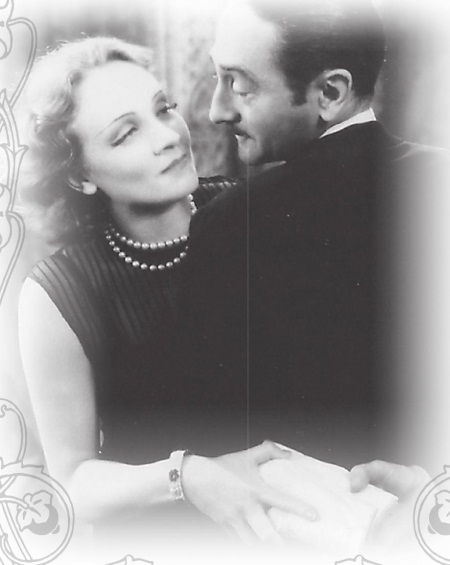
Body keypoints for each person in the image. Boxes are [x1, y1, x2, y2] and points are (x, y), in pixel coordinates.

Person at [18, 36, 317, 553]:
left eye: (163, 109)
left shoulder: (258, 212)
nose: (168, 138)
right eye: (126, 134)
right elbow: (72, 482)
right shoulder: (59, 292)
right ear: (81, 175)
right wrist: (189, 477)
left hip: (291, 526)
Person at [180, 0, 448, 469]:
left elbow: (216, 447)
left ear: (330, 92)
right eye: (217, 77)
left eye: (238, 84)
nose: (216, 111)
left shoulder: (231, 226)